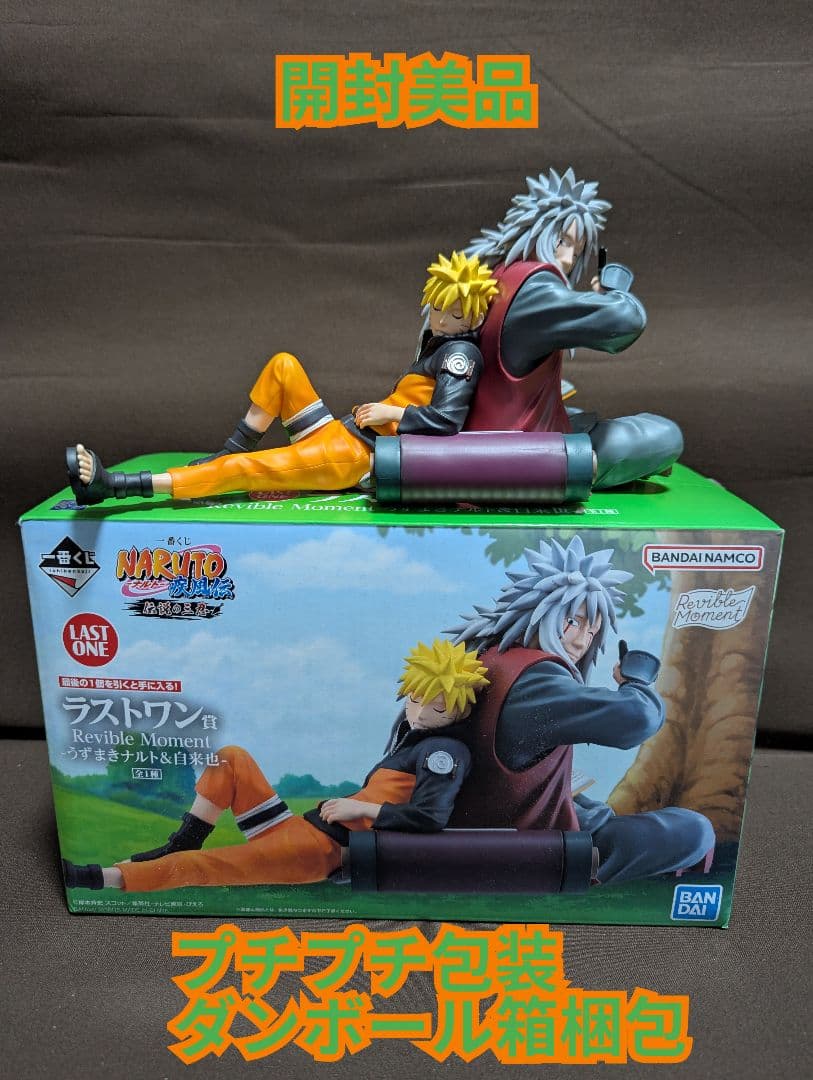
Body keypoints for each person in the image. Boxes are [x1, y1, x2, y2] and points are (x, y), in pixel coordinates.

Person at [65, 252, 498, 505]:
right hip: (342, 433)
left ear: (476, 317)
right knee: (283, 366)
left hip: (353, 456)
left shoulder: (459, 355)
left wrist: (393, 414)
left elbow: (447, 420)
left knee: (245, 470)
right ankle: (228, 450)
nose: (442, 320)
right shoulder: (439, 345)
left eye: (455, 314)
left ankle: (116, 487)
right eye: (438, 308)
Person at [61, 639, 489, 892]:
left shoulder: (444, 752)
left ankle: (99, 878)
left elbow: (430, 817)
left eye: (438, 708)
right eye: (415, 698)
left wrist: (362, 809)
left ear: (463, 711)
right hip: (298, 829)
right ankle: (184, 841)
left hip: (316, 851)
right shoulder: (414, 741)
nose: (420, 713)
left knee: (208, 867)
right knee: (231, 757)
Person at [446, 534, 715, 884]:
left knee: (591, 805)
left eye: (592, 630)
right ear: (540, 611)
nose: (580, 640)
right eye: (573, 621)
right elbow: (636, 719)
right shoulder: (535, 679)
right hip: (532, 847)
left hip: (500, 816)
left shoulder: (491, 656)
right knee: (694, 829)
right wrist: (635, 681)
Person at [463, 167, 684, 488]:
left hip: (491, 427)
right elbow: (625, 322)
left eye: (577, 251)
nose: (567, 259)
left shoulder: (500, 275)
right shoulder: (535, 289)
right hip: (522, 451)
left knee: (580, 414)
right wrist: (616, 292)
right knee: (664, 434)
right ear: (537, 230)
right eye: (562, 242)